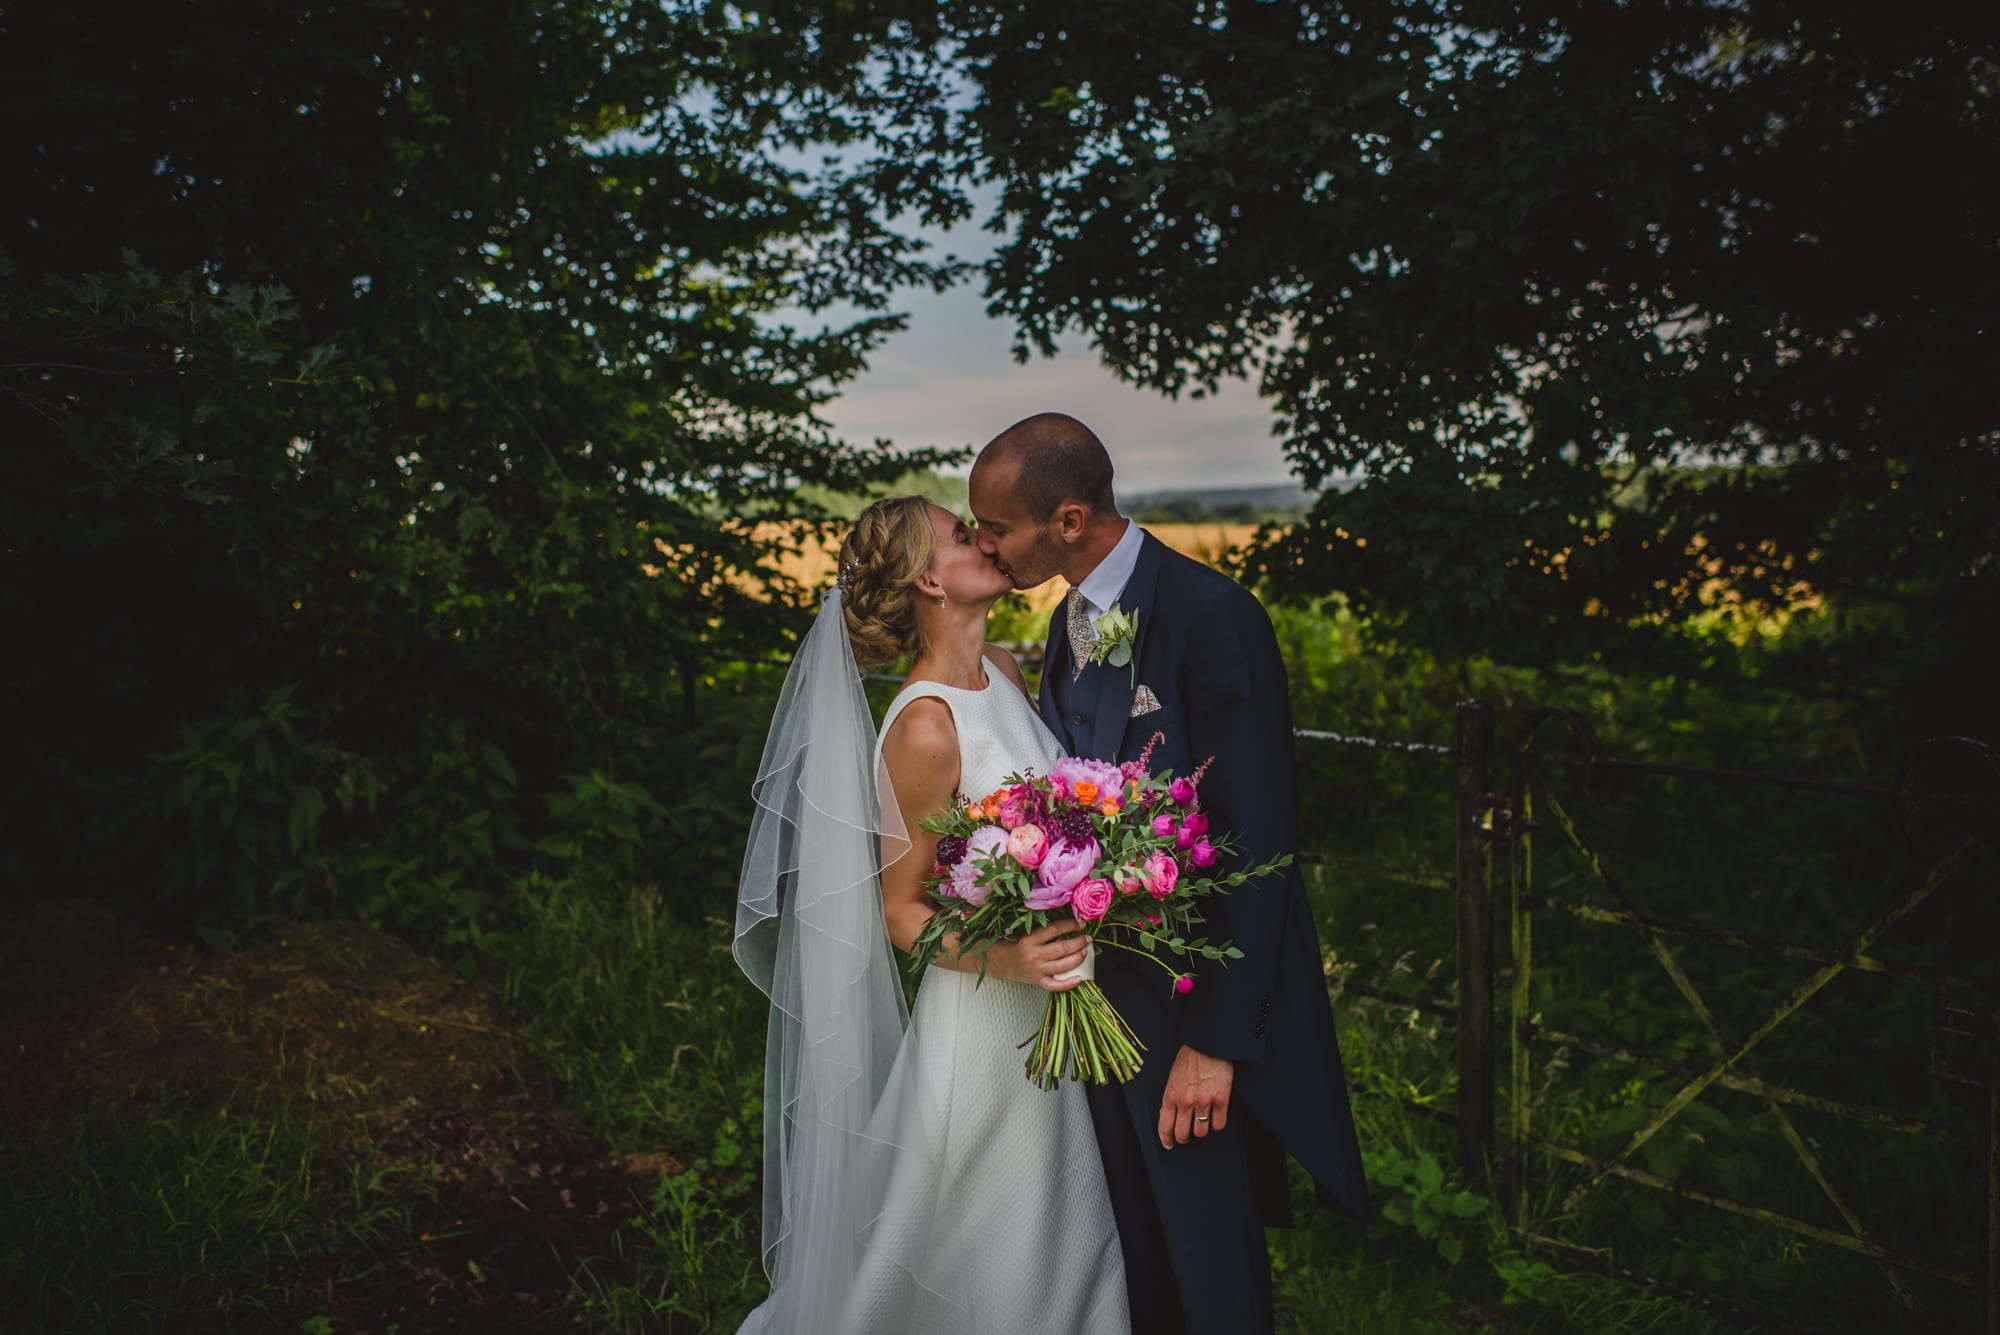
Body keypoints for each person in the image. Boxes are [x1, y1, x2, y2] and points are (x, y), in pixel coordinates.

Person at [968, 413, 1373, 1335]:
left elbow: (1257, 836)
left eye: (997, 527)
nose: (984, 543)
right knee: (1133, 1245)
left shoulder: (1211, 613)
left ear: (1068, 519)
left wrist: (1218, 1040)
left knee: (1207, 1252)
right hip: (1101, 1002)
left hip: (1190, 1006)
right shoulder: (1072, 620)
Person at [731, 494, 1130, 1335]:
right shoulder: (923, 728)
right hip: (984, 1023)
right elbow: (899, 909)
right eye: (962, 533)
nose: (984, 539)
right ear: (926, 578)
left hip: (1048, 1004)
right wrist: (1010, 961)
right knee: (984, 1234)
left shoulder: (1012, 677)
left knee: (1060, 1224)